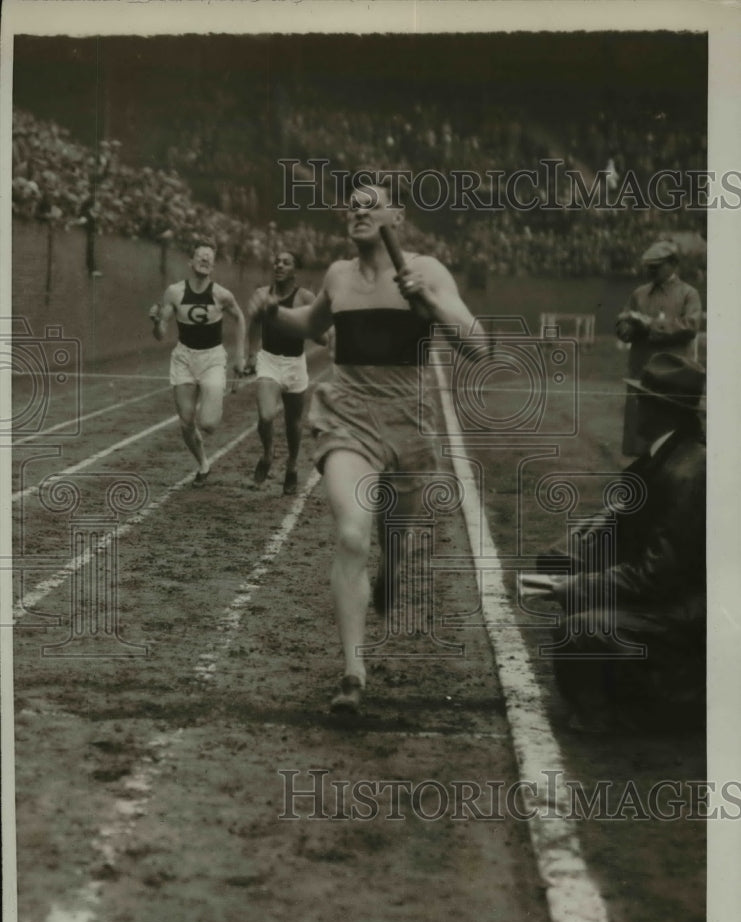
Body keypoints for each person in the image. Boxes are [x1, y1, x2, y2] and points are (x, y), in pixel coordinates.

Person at [252, 181, 482, 713]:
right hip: (349, 414)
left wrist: (426, 301)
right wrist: (270, 313)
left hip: (409, 422)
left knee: (394, 545)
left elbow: (477, 344)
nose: (356, 210)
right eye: (350, 204)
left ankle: (393, 572)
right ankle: (353, 675)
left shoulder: (427, 270)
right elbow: (310, 325)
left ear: (396, 216)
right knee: (353, 535)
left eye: (369, 203)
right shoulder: (337, 275)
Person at [522, 353, 706, 734]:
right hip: (673, 595)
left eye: (641, 400)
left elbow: (656, 577)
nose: (634, 407)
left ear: (660, 410)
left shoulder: (688, 470)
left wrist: (580, 588)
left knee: (577, 631)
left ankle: (648, 710)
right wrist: (603, 520)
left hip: (686, 613)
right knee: (562, 560)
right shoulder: (674, 454)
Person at [151, 241, 246, 486]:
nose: (204, 260)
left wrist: (240, 355)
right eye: (200, 256)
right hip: (184, 357)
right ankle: (203, 463)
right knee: (185, 421)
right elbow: (161, 333)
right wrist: (156, 321)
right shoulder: (174, 292)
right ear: (190, 263)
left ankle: (211, 398)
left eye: (209, 258)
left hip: (212, 358)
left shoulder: (222, 295)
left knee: (209, 424)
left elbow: (240, 319)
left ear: (213, 265)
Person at [616, 239, 702, 456]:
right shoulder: (639, 293)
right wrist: (626, 328)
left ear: (673, 264)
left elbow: (691, 326)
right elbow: (623, 321)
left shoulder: (688, 293)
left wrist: (651, 324)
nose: (651, 271)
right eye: (649, 267)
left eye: (657, 267)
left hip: (672, 373)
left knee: (667, 429)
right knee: (640, 427)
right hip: (642, 368)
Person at [242, 251, 317, 496]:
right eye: (276, 261)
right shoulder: (261, 294)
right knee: (266, 415)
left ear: (295, 270)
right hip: (269, 360)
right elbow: (253, 325)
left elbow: (321, 333)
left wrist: (305, 325)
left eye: (286, 262)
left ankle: (292, 466)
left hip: (295, 363)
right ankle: (268, 453)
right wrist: (252, 355)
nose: (279, 265)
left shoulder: (305, 297)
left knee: (293, 424)